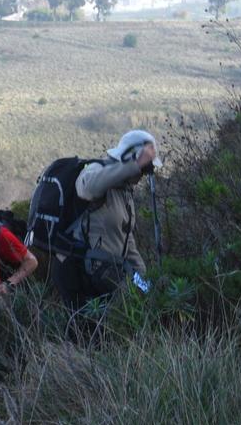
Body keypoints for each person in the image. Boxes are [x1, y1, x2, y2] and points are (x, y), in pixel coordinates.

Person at [52, 129, 162, 314]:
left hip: (102, 272)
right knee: (85, 333)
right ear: (130, 159)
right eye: (143, 168)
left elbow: (126, 240)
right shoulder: (96, 171)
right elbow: (89, 187)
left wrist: (145, 282)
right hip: (76, 271)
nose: (143, 174)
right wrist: (135, 164)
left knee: (111, 328)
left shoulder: (124, 192)